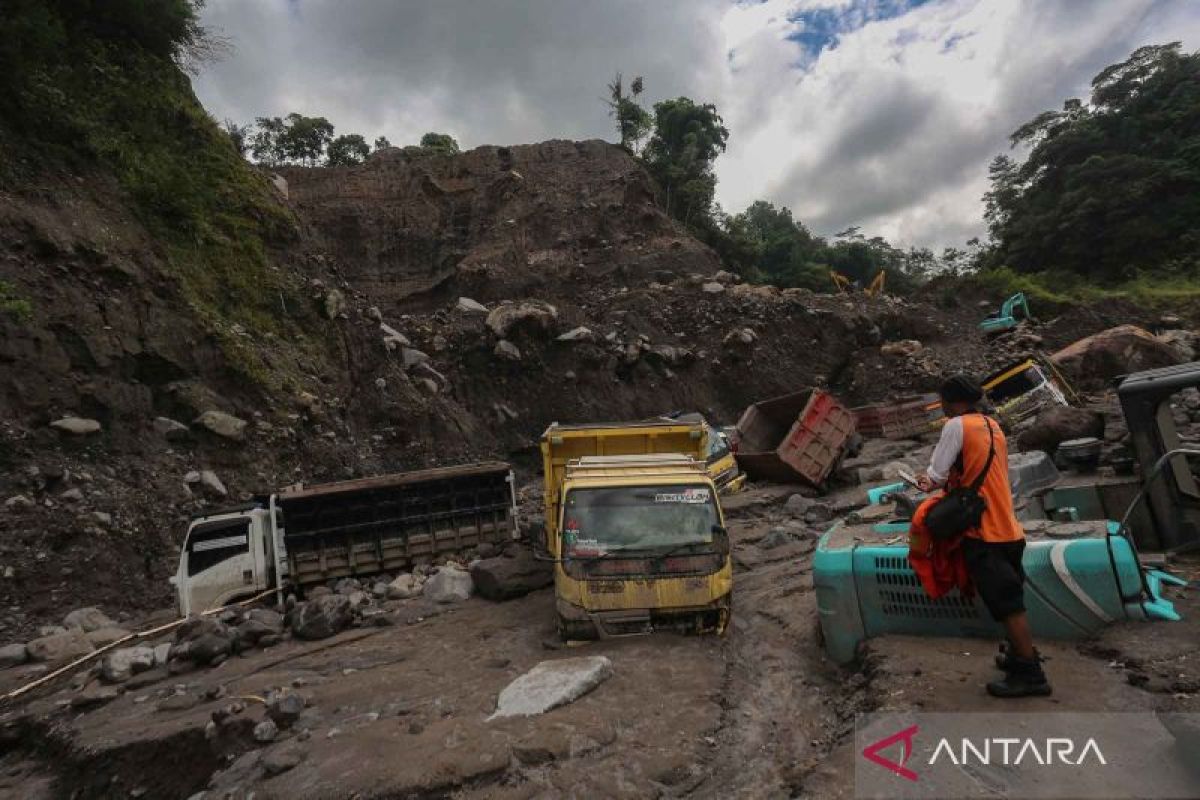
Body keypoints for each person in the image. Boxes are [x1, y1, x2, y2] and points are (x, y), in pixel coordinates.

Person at [917, 374, 1051, 698]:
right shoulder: (993, 425)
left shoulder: (956, 426)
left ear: (953, 401)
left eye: (944, 403)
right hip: (1009, 526)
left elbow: (935, 475)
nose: (943, 410)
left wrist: (924, 482)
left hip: (983, 530)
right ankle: (1018, 658)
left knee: (1007, 605)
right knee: (1010, 597)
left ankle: (1031, 674)